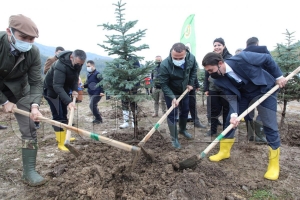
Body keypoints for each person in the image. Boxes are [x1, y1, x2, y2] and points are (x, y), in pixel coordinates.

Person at [202, 51, 287, 181]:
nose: (210, 73)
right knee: (230, 121)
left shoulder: (243, 58)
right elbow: (231, 96)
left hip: (265, 89)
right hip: (243, 95)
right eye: (207, 71)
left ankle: (274, 165)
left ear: (220, 63)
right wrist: (235, 114)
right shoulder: (217, 79)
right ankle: (224, 151)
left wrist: (279, 76)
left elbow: (267, 59)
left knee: (269, 124)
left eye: (211, 70)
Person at [0, 14, 46, 186]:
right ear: (9, 32)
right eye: (23, 37)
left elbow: (35, 81)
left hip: (20, 90)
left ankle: (29, 172)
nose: (27, 42)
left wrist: (34, 106)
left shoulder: (33, 52)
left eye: (31, 39)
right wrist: (4, 102)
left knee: (29, 127)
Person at [43, 49, 86, 151]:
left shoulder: (78, 64)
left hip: (63, 89)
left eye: (81, 64)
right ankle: (61, 143)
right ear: (71, 57)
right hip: (51, 91)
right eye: (78, 63)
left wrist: (75, 89)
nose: (79, 65)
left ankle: (66, 136)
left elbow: (75, 78)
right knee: (58, 115)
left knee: (64, 113)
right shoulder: (60, 65)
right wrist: (69, 101)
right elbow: (57, 86)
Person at [159, 42, 197, 149]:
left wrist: (190, 83)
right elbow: (164, 84)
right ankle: (174, 138)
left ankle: (182, 129)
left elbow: (194, 70)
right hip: (170, 91)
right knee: (172, 113)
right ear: (171, 53)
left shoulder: (191, 58)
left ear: (185, 53)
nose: (179, 60)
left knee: (185, 110)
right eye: (176, 58)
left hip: (184, 90)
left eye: (181, 58)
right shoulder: (165, 65)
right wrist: (172, 97)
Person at [242, 36, 270, 143]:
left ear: (247, 44)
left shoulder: (242, 53)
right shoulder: (263, 50)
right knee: (262, 111)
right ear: (257, 43)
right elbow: (269, 65)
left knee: (249, 112)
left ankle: (250, 135)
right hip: (261, 87)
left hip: (246, 88)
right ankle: (259, 134)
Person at [203, 38, 230, 136]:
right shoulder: (209, 58)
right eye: (215, 45)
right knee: (214, 110)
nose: (217, 47)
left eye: (219, 45)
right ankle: (213, 130)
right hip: (213, 88)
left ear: (224, 46)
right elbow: (207, 75)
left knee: (226, 109)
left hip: (225, 89)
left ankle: (226, 130)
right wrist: (206, 88)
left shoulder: (229, 58)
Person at [185, 47, 206, 128]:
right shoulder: (180, 61)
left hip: (191, 87)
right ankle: (182, 124)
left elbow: (194, 74)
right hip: (182, 87)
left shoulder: (192, 60)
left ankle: (196, 122)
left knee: (192, 104)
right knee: (183, 106)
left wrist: (196, 85)